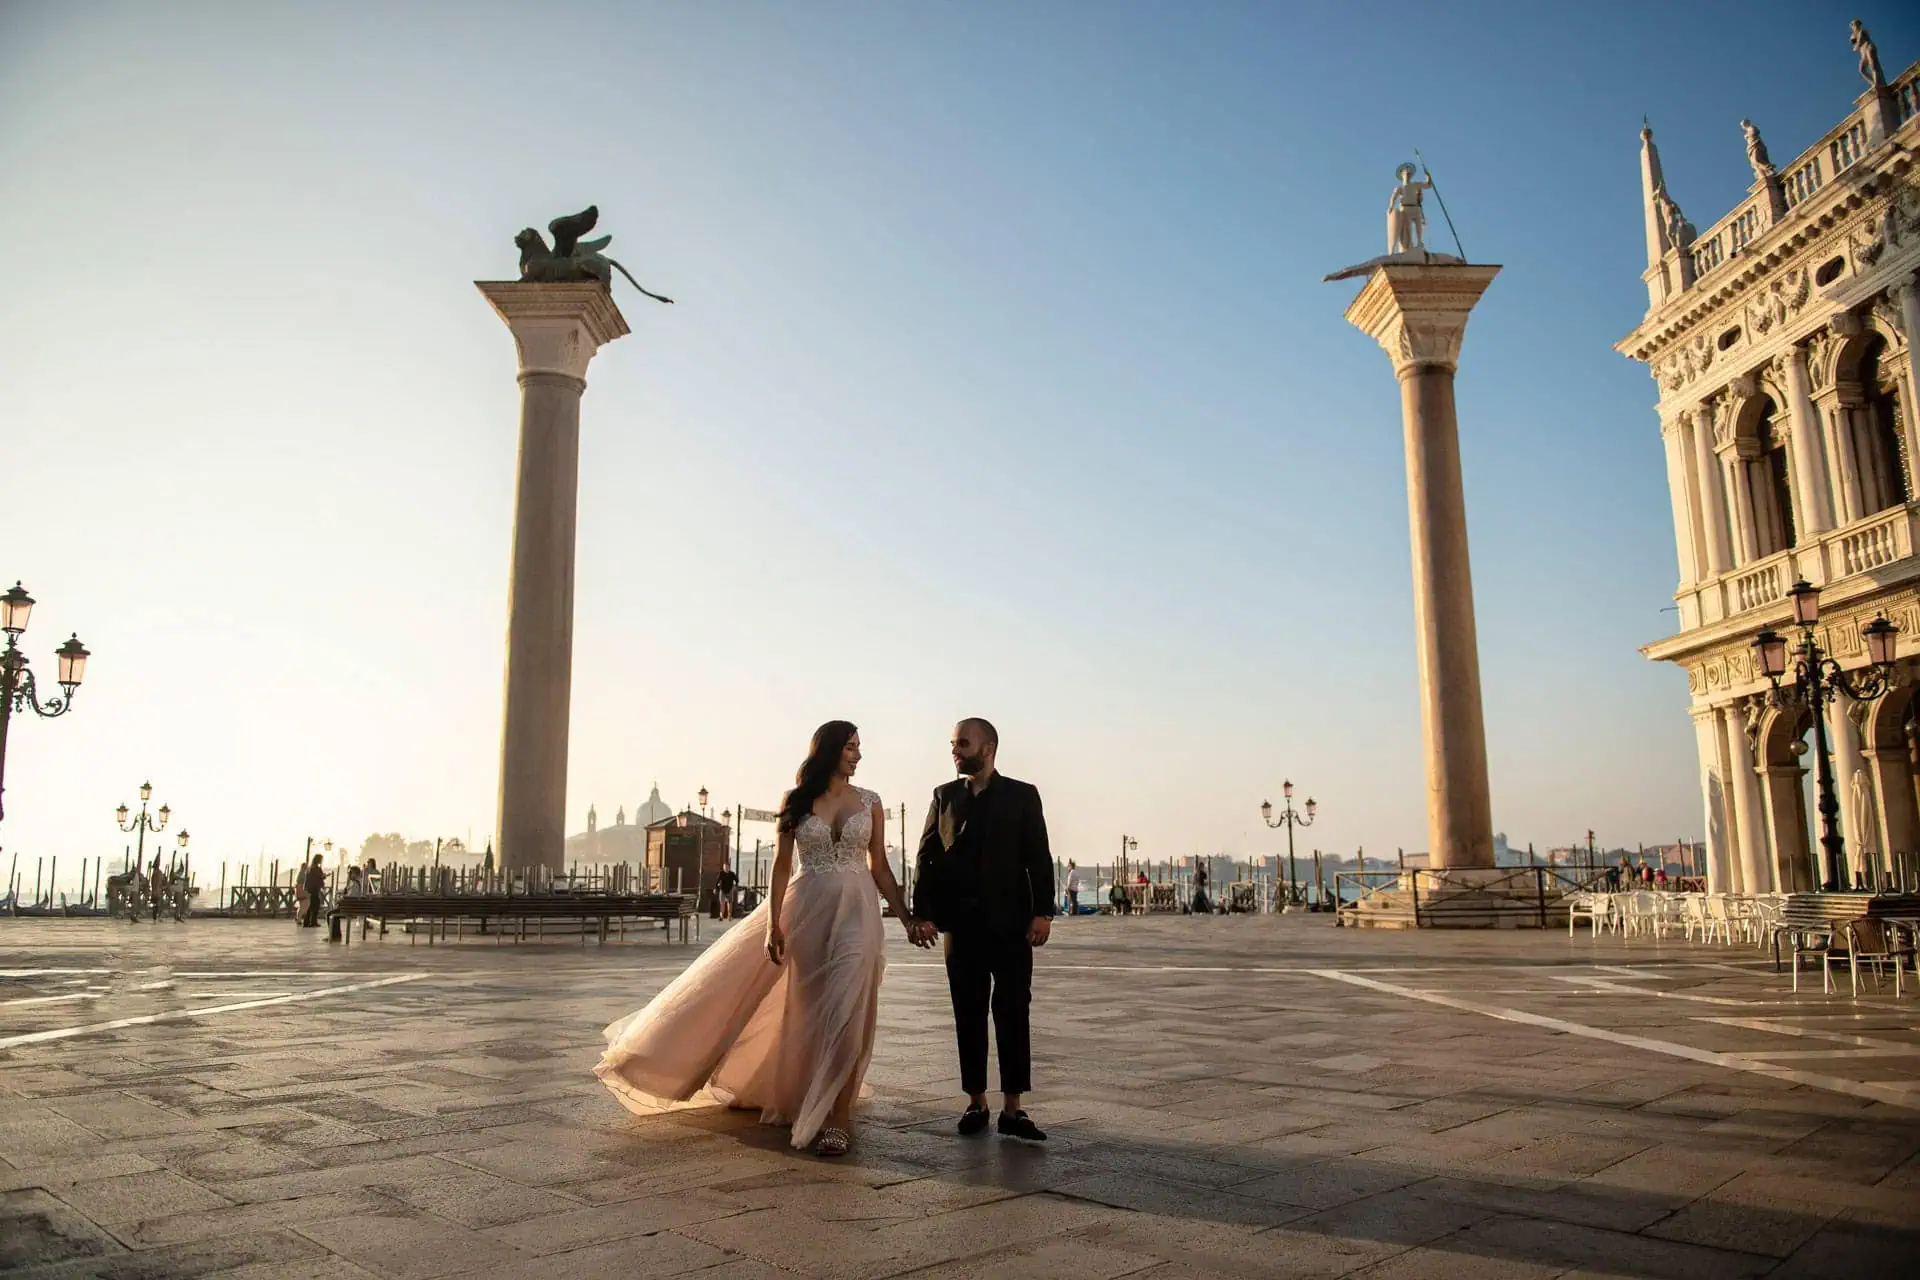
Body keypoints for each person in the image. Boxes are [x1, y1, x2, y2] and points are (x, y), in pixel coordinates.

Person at [596, 721, 929, 1157]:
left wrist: (905, 917)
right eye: (850, 747)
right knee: (812, 1008)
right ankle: (809, 1090)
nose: (858, 755)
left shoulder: (871, 802)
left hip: (858, 911)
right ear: (829, 750)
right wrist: (773, 924)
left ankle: (838, 1117)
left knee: (850, 1005)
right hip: (807, 909)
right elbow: (781, 867)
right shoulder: (795, 801)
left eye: (859, 748)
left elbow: (880, 866)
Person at [911, 718, 1053, 1143]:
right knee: (967, 1013)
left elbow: (1039, 857)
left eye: (962, 744)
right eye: (952, 744)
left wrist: (1043, 912)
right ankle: (976, 1102)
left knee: (1013, 1010)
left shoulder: (1023, 796)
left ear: (987, 747)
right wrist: (923, 913)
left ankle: (1014, 1108)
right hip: (962, 927)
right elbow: (926, 857)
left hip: (1011, 926)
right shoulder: (944, 796)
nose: (954, 751)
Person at [301, 854, 326, 928]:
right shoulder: (317, 868)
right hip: (314, 889)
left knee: (310, 905)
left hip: (309, 889)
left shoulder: (310, 868)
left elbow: (310, 878)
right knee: (315, 905)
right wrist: (324, 877)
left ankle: (307, 922)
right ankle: (313, 922)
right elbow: (320, 877)